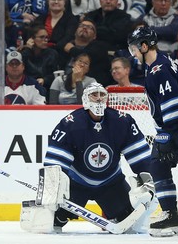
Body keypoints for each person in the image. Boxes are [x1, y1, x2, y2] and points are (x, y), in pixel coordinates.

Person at [43, 82, 155, 233]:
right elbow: (54, 163)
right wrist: (53, 190)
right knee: (54, 221)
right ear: (85, 99)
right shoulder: (70, 124)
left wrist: (148, 179)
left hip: (111, 183)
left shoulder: (121, 121)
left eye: (102, 95)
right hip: (76, 184)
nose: (99, 99)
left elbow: (140, 156)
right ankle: (60, 214)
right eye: (94, 95)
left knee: (128, 222)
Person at [128, 26, 178, 237]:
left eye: (134, 48)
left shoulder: (158, 69)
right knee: (158, 166)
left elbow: (174, 107)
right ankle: (170, 216)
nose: (133, 53)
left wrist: (166, 137)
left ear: (144, 46)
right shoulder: (158, 64)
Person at [62, 18, 112, 87]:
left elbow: (88, 56)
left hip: (89, 87)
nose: (84, 28)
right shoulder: (66, 46)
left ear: (94, 36)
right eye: (81, 26)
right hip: (63, 85)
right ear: (75, 31)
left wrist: (71, 49)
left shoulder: (100, 47)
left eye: (90, 28)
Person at [21, 25, 60, 97]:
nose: (45, 40)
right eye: (41, 37)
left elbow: (55, 75)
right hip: (26, 88)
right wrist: (28, 49)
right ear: (32, 39)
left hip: (46, 88)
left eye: (46, 37)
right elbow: (19, 70)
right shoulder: (24, 53)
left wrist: (44, 80)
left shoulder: (52, 53)